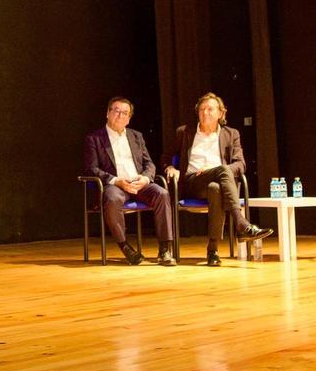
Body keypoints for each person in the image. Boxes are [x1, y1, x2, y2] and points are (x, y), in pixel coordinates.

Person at [170, 92, 272, 266]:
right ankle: (241, 223)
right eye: (202, 109)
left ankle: (213, 251)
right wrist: (170, 167)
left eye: (210, 109)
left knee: (216, 188)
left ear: (220, 113)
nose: (205, 113)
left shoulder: (231, 134)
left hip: (218, 183)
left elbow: (240, 164)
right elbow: (167, 155)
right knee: (222, 174)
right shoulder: (185, 132)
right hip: (193, 181)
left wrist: (219, 170)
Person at [83, 97, 176, 266]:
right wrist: (116, 181)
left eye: (124, 113)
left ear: (129, 118)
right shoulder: (95, 138)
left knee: (162, 193)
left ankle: (164, 249)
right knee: (112, 199)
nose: (120, 115)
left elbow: (149, 163)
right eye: (116, 110)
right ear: (107, 113)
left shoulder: (136, 136)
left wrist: (146, 178)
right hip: (115, 185)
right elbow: (91, 168)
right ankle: (126, 247)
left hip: (138, 183)